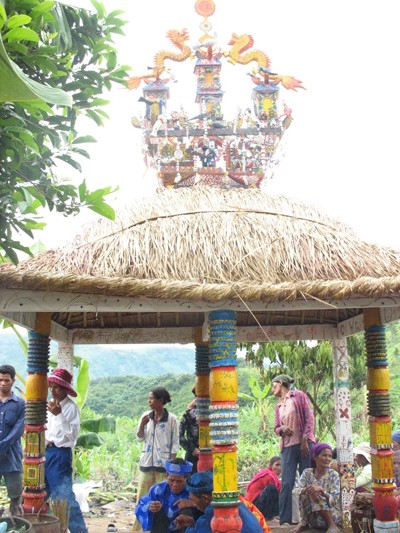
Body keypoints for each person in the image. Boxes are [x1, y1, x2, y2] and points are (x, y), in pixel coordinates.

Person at [45, 367, 88, 533]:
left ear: (65, 389)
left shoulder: (71, 408)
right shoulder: (50, 405)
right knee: (40, 494)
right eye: (52, 387)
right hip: (46, 453)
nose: (53, 390)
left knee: (64, 497)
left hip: (60, 454)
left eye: (57, 387)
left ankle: (80, 531)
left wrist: (59, 415)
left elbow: (71, 436)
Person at [133, 386, 179, 532]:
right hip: (147, 463)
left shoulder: (172, 419)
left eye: (152, 398)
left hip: (163, 465)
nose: (149, 401)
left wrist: (171, 466)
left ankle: (161, 527)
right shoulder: (146, 416)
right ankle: (140, 527)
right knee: (143, 497)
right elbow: (139, 438)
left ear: (161, 400)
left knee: (162, 498)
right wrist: (142, 425)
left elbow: (175, 443)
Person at [272, 374, 315, 525]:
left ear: (282, 383)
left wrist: (305, 439)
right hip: (288, 446)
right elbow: (276, 427)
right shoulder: (279, 405)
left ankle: (309, 518)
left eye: (274, 385)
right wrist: (282, 428)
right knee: (287, 483)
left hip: (304, 444)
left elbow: (309, 418)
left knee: (306, 479)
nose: (273, 390)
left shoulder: (298, 396)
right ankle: (285, 520)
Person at [174, 471, 266, 533]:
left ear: (205, 498)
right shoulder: (234, 501)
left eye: (193, 500)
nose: (193, 504)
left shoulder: (214, 515)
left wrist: (191, 527)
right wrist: (193, 522)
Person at [134, 458, 194, 532]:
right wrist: (150, 507)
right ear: (166, 475)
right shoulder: (157, 490)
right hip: (162, 528)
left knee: (187, 510)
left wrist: (193, 503)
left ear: (187, 478)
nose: (175, 484)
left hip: (184, 528)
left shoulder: (193, 491)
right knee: (154, 511)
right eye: (171, 480)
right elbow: (140, 506)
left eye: (179, 481)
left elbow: (207, 510)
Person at [293, 442, 341, 533]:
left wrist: (322, 492)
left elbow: (334, 500)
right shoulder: (307, 472)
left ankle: (332, 526)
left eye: (330, 456)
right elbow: (295, 490)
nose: (328, 459)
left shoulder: (333, 475)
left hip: (332, 515)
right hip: (313, 519)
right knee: (308, 493)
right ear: (315, 457)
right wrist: (308, 490)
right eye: (324, 455)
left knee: (317, 494)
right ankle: (304, 523)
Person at [0, 364, 25, 516]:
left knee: (15, 497)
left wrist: (2, 447)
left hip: (12, 457)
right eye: (1, 380)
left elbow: (18, 430)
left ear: (13, 381)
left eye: (6, 380)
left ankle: (17, 524)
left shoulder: (20, 404)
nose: (3, 383)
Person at [245, 456, 281, 520]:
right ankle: (268, 516)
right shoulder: (268, 476)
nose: (279, 468)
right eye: (277, 465)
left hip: (253, 505)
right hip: (252, 507)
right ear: (270, 465)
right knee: (271, 488)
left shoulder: (268, 474)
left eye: (281, 465)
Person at [179, 387, 199, 473]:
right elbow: (179, 434)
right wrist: (192, 449)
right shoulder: (189, 414)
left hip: (213, 455)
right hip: (192, 456)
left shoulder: (215, 413)